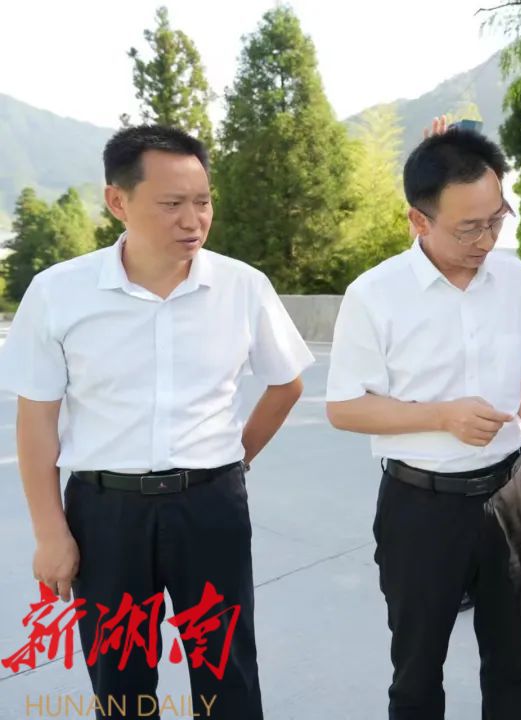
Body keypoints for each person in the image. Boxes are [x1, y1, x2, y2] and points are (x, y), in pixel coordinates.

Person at [0, 125, 314, 719]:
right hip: (106, 515)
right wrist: (50, 532)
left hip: (211, 510)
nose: (192, 220)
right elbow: (36, 421)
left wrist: (235, 458)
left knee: (227, 677)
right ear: (118, 201)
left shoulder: (242, 287)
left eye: (203, 201)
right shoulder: (59, 293)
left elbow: (287, 382)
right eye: (171, 204)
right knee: (121, 685)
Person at [325, 127, 521, 720]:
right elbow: (344, 407)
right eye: (468, 228)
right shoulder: (374, 295)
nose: (487, 240)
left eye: (496, 220)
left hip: (509, 494)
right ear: (418, 220)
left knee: (513, 665)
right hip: (420, 506)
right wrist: (440, 416)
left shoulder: (519, 282)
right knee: (416, 672)